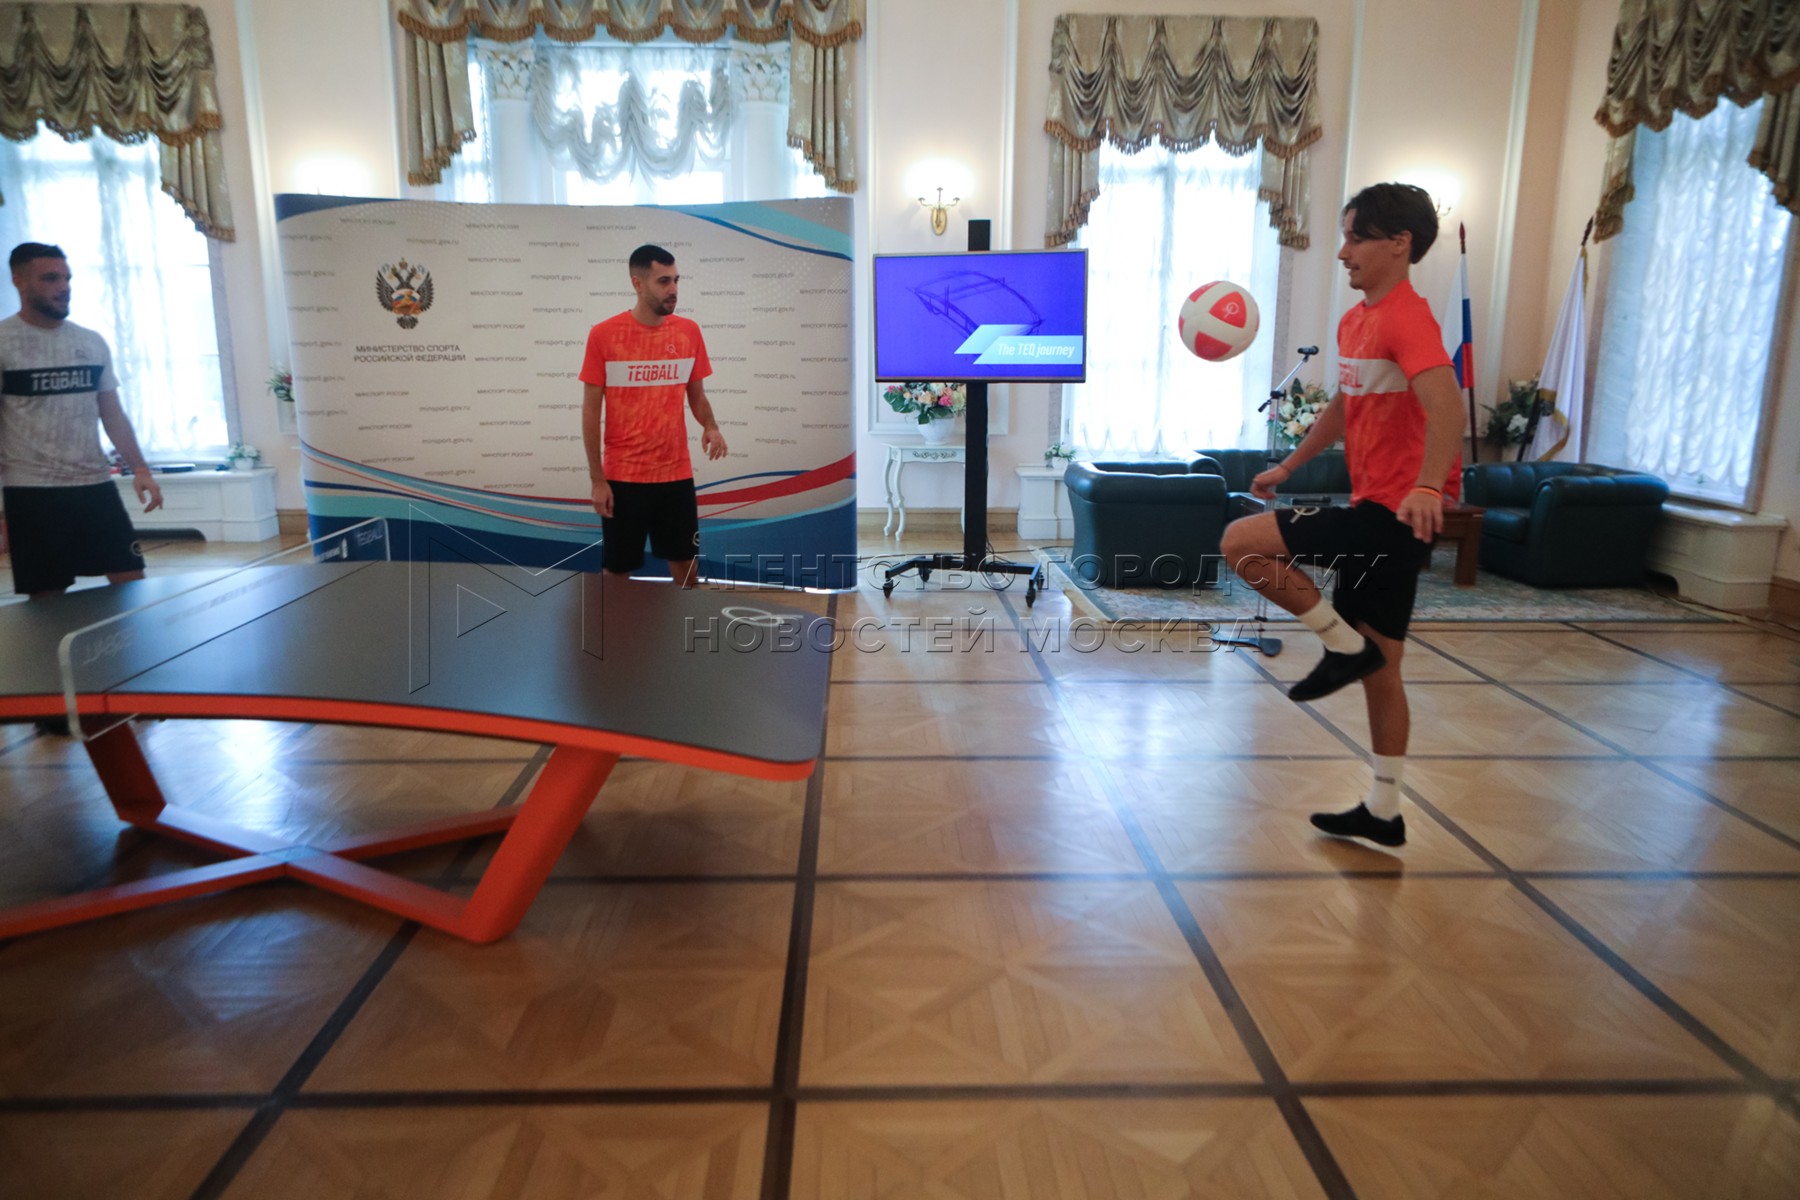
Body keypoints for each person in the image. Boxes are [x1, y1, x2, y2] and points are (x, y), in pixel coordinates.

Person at [1219, 183, 1464, 848]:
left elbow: (1448, 406)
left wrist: (1427, 486)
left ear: (1399, 244)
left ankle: (1339, 644)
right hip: (1371, 504)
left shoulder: (1408, 319)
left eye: (1356, 237)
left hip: (1396, 515)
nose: (1342, 251)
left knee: (1241, 543)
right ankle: (1383, 813)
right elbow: (1345, 407)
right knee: (1383, 671)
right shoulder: (1357, 320)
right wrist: (1290, 467)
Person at [0, 242, 162, 601]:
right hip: (32, 492)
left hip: (94, 485)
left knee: (131, 581)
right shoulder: (4, 342)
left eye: (67, 278)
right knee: (47, 600)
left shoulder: (90, 342)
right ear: (18, 281)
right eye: (50, 278)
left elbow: (112, 413)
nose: (63, 287)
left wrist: (141, 469)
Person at [579, 243, 728, 588]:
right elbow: (590, 412)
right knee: (617, 573)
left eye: (676, 280)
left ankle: (684, 626)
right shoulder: (604, 336)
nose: (673, 289)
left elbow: (697, 395)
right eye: (663, 281)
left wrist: (711, 426)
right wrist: (598, 480)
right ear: (637, 283)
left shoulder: (688, 331)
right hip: (624, 479)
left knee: (687, 569)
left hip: (676, 476)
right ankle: (612, 627)